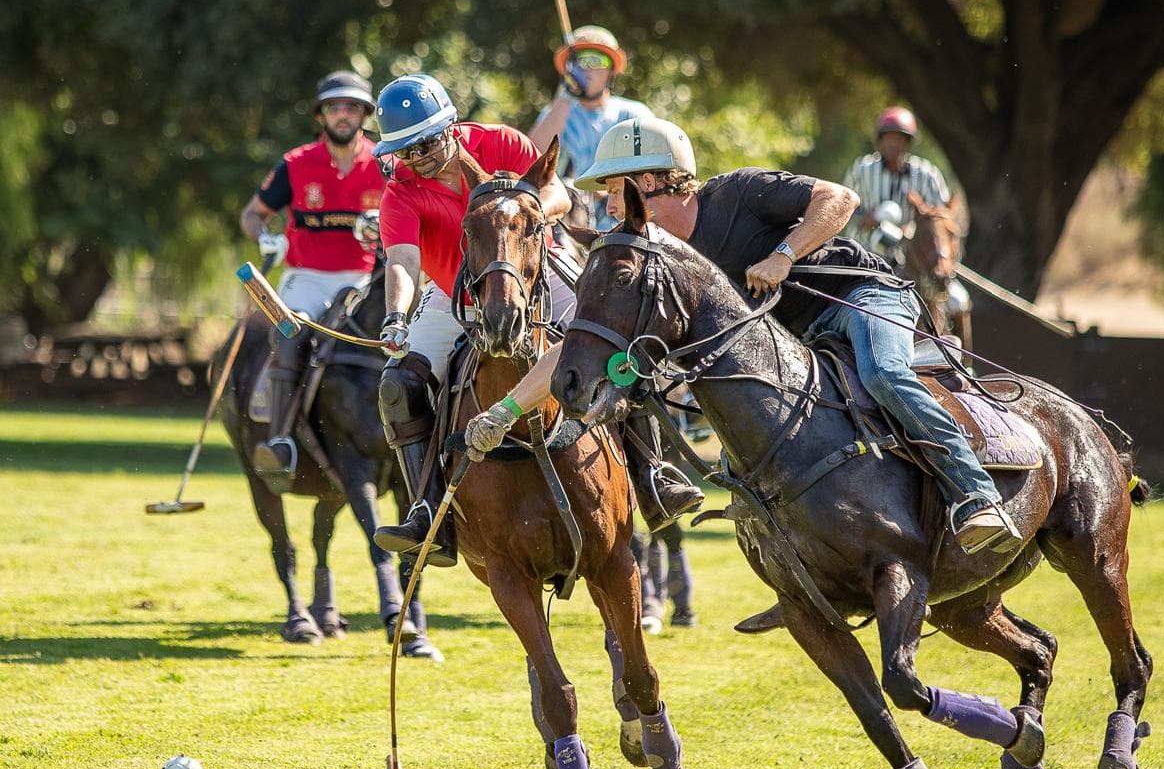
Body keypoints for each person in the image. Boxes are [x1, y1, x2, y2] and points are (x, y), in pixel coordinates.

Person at [465, 116, 1022, 563]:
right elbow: (592, 341)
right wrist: (509, 408)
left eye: (615, 190)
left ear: (654, 182)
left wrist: (784, 256)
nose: (610, 206)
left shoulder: (739, 192)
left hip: (857, 301)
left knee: (884, 374)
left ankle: (977, 496)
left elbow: (839, 200)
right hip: (792, 344)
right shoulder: (655, 258)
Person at [367, 75, 700, 563]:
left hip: (535, 268)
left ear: (450, 127)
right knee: (398, 383)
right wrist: (396, 317)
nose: (418, 158)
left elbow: (560, 196)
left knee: (619, 342)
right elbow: (401, 259)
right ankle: (428, 511)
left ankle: (653, 478)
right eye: (406, 150)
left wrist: (517, 214)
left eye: (426, 143)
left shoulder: (500, 141)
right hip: (454, 286)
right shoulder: (401, 190)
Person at [239, 71, 383, 481]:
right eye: (334, 107)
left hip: (362, 281)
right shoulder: (296, 164)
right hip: (306, 276)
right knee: (291, 334)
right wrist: (265, 238)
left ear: (363, 115)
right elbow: (252, 214)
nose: (343, 114)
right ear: (321, 115)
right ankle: (281, 439)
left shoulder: (384, 163)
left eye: (351, 107)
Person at [528, 26, 652, 230]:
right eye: (579, 61)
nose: (586, 68)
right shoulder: (556, 114)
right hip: (567, 231)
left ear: (611, 70)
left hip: (624, 228)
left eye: (596, 60)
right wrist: (566, 95)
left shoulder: (633, 115)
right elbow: (532, 155)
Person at [841, 107, 951, 244]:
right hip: (863, 249)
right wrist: (863, 218)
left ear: (907, 142)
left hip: (909, 257)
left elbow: (940, 215)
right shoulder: (862, 169)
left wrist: (914, 229)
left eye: (899, 139)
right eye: (889, 138)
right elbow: (842, 205)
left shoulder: (927, 174)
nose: (893, 144)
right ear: (880, 140)